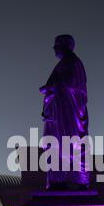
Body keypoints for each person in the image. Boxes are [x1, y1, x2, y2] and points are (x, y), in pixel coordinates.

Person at [39, 35, 90, 190]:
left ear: (65, 46)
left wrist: (51, 87)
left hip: (68, 114)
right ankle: (58, 180)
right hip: (58, 114)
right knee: (56, 145)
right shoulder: (65, 63)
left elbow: (71, 84)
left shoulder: (72, 63)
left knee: (69, 144)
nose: (54, 48)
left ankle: (75, 181)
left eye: (57, 45)